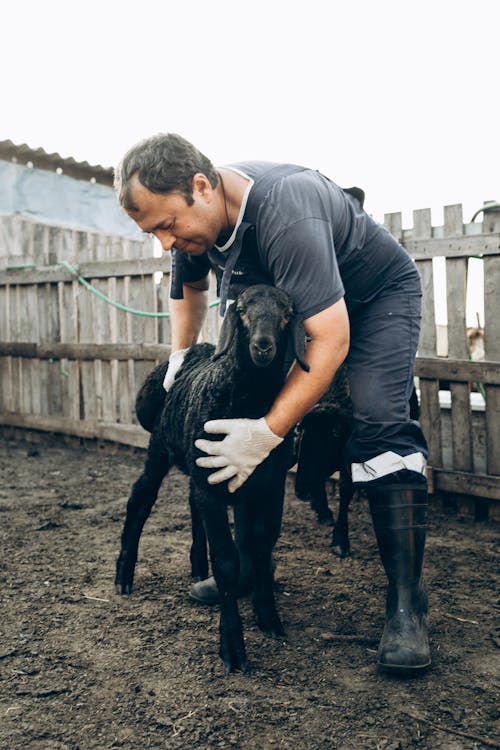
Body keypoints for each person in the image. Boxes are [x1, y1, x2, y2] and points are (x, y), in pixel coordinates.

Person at [114, 133, 431, 674]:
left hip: (371, 299)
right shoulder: (195, 225)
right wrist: (180, 356)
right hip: (292, 305)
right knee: (241, 408)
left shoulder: (286, 210)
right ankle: (245, 571)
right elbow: (188, 290)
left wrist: (267, 432)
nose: (165, 242)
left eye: (167, 226)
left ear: (200, 187)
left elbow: (330, 339)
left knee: (377, 426)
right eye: (154, 233)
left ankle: (406, 606)